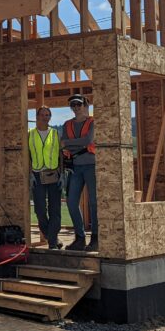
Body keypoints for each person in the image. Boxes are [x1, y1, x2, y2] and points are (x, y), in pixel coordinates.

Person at [61, 94, 96, 251]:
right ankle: (80, 238)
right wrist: (74, 145)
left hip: (91, 165)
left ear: (85, 105)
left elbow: (88, 141)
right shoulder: (67, 124)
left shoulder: (92, 122)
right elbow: (63, 145)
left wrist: (69, 143)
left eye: (79, 104)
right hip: (74, 167)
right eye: (73, 105)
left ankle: (95, 238)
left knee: (93, 202)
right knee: (71, 202)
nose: (76, 107)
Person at [29, 106, 62, 250]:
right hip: (37, 174)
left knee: (55, 209)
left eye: (48, 115)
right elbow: (27, 155)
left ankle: (52, 243)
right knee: (40, 210)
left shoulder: (55, 133)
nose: (45, 117)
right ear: (37, 117)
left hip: (53, 174)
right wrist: (30, 174)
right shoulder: (30, 134)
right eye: (42, 115)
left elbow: (61, 153)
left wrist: (61, 173)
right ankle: (51, 236)